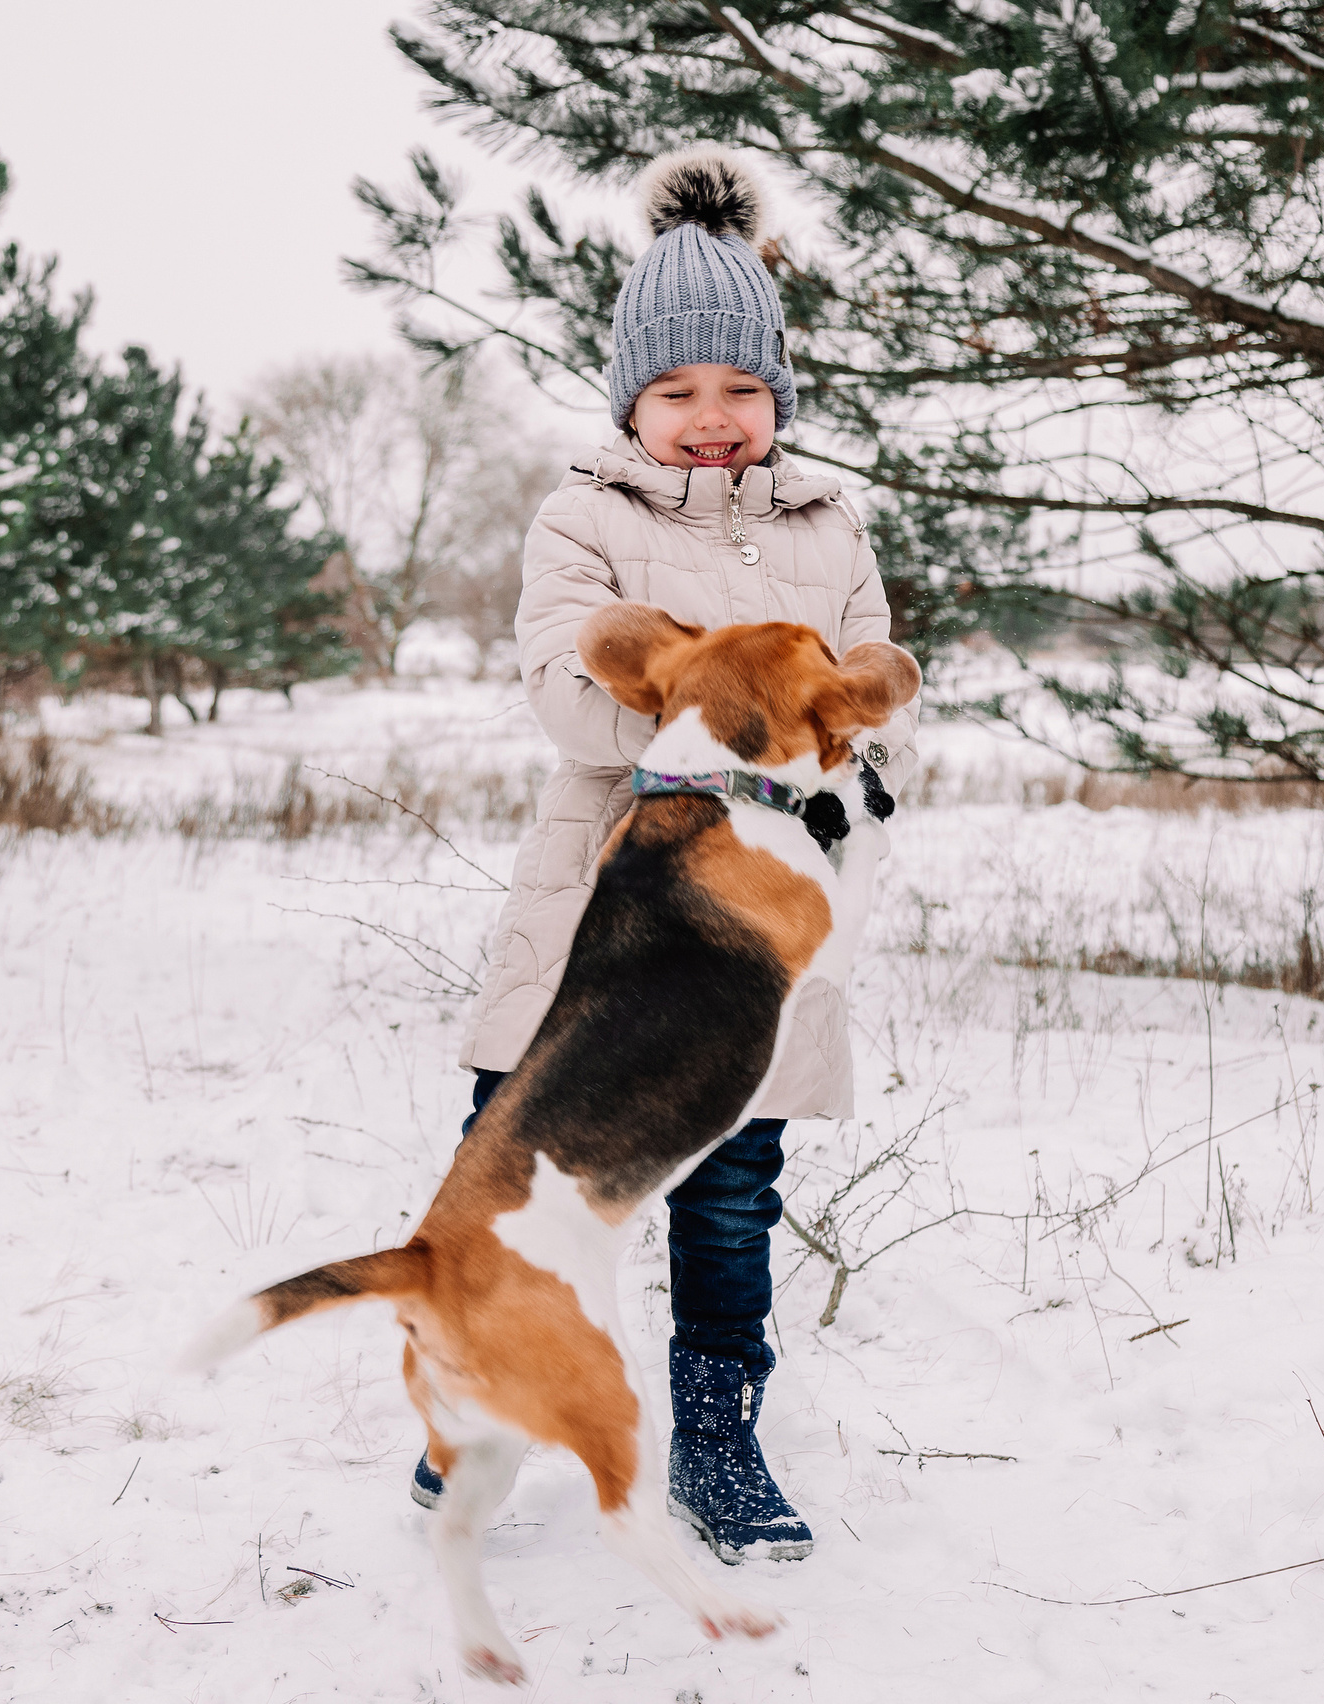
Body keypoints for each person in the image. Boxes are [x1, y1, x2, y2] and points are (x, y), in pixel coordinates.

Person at [412, 144, 919, 1565]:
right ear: (633, 399)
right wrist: (737, 705)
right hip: (605, 910)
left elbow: (865, 691)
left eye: (743, 391)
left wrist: (845, 714)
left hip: (761, 924)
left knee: (731, 1181)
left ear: (780, 395)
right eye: (680, 393)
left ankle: (716, 1432)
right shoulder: (588, 518)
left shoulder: (830, 525)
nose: (714, 420)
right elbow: (572, 700)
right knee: (519, 1161)